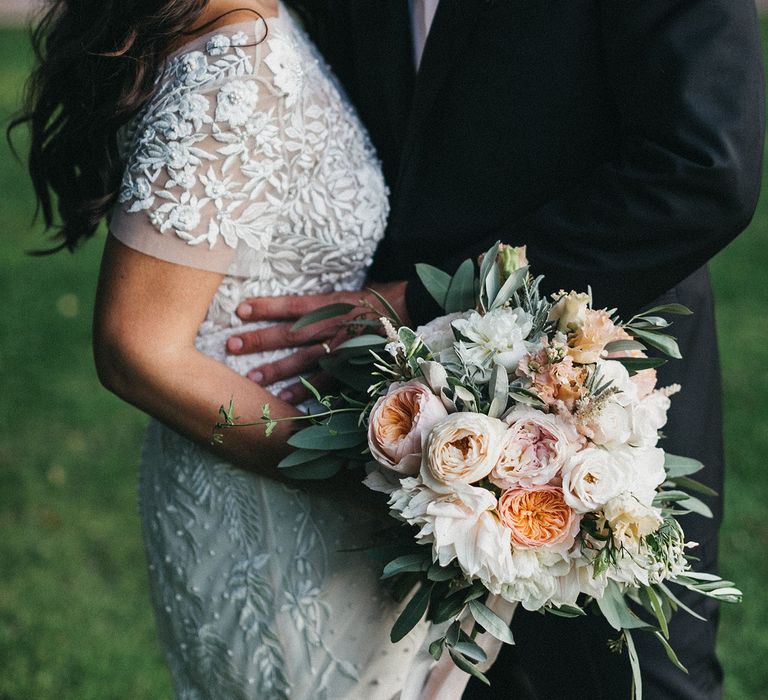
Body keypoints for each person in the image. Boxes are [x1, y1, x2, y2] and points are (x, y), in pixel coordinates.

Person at [226, 1, 765, 698]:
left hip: (604, 386)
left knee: (623, 682)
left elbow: (702, 168)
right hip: (397, 408)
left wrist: (427, 303)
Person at [12, 0, 471, 697]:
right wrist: (358, 472)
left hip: (297, 497)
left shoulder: (255, 23)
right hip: (274, 506)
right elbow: (134, 348)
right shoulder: (234, 73)